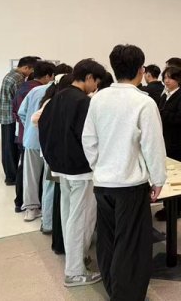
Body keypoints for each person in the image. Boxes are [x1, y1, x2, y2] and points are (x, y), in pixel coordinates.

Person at [82, 45, 167, 300]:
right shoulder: (144, 102)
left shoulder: (98, 98)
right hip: (130, 185)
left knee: (108, 239)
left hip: (103, 183)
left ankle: (113, 289)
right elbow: (152, 145)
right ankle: (126, 295)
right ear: (141, 70)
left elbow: (88, 140)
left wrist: (99, 166)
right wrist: (158, 179)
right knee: (131, 245)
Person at [39, 58, 106, 287]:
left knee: (68, 215)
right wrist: (97, 164)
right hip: (80, 170)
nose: (95, 87)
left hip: (60, 168)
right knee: (81, 218)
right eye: (96, 82)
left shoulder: (56, 98)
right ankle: (75, 272)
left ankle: (75, 260)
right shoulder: (83, 102)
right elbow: (89, 139)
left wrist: (52, 160)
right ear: (88, 77)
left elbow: (43, 129)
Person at [35, 73, 74, 255]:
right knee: (56, 194)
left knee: (57, 194)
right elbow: (36, 119)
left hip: (56, 156)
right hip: (58, 158)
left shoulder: (55, 101)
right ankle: (52, 229)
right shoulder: (55, 102)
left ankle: (52, 228)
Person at [13, 61, 56, 214]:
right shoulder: (56, 91)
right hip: (48, 141)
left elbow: (22, 112)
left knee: (30, 176)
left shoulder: (34, 90)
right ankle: (46, 212)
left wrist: (31, 127)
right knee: (47, 179)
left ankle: (30, 209)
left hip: (31, 139)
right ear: (50, 75)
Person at [154, 66, 181, 221]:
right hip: (166, 140)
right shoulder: (165, 95)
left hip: (177, 141)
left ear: (178, 79)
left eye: (170, 78)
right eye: (165, 77)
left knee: (177, 176)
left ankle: (176, 209)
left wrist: (164, 114)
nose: (167, 81)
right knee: (168, 174)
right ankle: (167, 206)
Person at [0, 56, 39, 186]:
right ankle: (11, 176)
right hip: (11, 116)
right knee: (11, 147)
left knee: (7, 146)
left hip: (5, 115)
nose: (32, 73)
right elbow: (20, 99)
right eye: (32, 70)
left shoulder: (11, 74)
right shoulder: (18, 78)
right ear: (26, 67)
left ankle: (10, 174)